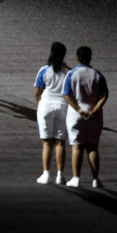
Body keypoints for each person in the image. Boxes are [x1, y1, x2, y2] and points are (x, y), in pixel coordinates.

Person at [62, 46, 109, 188]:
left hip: (76, 115)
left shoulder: (72, 74)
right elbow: (105, 95)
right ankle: (96, 179)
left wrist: (78, 109)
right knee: (93, 147)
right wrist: (95, 110)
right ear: (90, 57)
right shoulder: (97, 74)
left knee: (77, 147)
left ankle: (76, 178)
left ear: (77, 57)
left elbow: (66, 95)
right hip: (94, 114)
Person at [34, 42, 70, 185]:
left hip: (46, 105)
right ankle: (60, 175)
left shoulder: (44, 70)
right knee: (60, 143)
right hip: (63, 106)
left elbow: (37, 91)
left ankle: (46, 174)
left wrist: (40, 103)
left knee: (47, 143)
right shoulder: (68, 71)